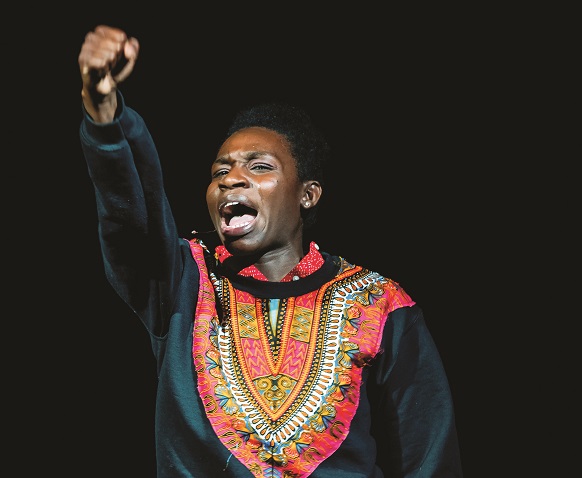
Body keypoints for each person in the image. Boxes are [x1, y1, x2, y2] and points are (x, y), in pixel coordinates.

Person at [78, 25, 462, 477]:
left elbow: (428, 457)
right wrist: (105, 115)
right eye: (220, 171)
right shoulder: (184, 282)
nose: (231, 178)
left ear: (308, 194)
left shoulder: (380, 303)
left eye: (259, 167)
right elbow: (130, 216)